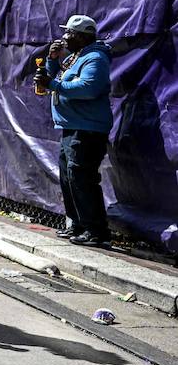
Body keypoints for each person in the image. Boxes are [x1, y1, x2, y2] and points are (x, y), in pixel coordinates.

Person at [35, 15, 113, 246]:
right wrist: (52, 60)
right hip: (72, 127)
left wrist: (53, 85)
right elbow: (58, 76)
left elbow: (88, 89)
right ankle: (78, 225)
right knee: (69, 178)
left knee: (82, 178)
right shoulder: (76, 57)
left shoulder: (95, 58)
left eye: (69, 33)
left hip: (87, 129)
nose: (65, 37)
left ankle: (96, 232)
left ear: (83, 36)